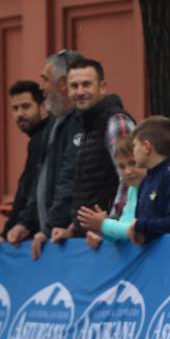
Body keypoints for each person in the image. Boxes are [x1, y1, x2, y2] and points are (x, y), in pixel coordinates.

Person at [48, 57, 135, 244]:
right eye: (74, 86)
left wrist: (110, 228)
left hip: (111, 243)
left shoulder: (115, 122)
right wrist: (72, 229)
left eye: (86, 84)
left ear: (102, 87)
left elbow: (130, 180)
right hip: (91, 240)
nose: (79, 92)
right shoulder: (87, 125)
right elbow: (90, 186)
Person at [24, 49, 82, 260]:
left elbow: (69, 180)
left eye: (45, 80)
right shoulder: (53, 124)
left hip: (67, 242)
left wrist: (50, 228)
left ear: (63, 82)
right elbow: (38, 181)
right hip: (52, 236)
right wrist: (24, 223)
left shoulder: (79, 124)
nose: (41, 87)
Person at [0, 80, 49, 252]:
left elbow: (34, 190)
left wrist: (7, 233)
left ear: (42, 107)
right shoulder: (37, 139)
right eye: (15, 108)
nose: (20, 114)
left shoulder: (43, 139)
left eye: (26, 107)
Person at [127, 116, 170, 243]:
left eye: (134, 146)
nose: (133, 152)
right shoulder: (144, 182)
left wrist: (139, 226)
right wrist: (138, 232)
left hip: (169, 258)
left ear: (147, 147)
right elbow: (140, 221)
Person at [78, 135, 143, 250]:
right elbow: (124, 228)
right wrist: (101, 231)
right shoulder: (133, 189)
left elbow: (134, 230)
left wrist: (104, 224)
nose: (127, 171)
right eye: (122, 167)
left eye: (132, 163)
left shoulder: (153, 187)